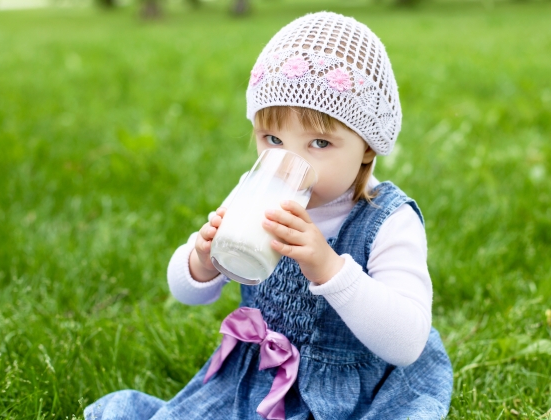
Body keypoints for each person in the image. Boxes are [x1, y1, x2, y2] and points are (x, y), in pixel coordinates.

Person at [85, 11, 453, 420]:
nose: (289, 160)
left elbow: (407, 342)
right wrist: (202, 260)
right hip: (260, 382)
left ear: (367, 146)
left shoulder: (387, 220)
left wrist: (330, 270)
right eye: (272, 139)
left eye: (319, 142)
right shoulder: (256, 192)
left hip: (354, 392)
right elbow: (183, 292)